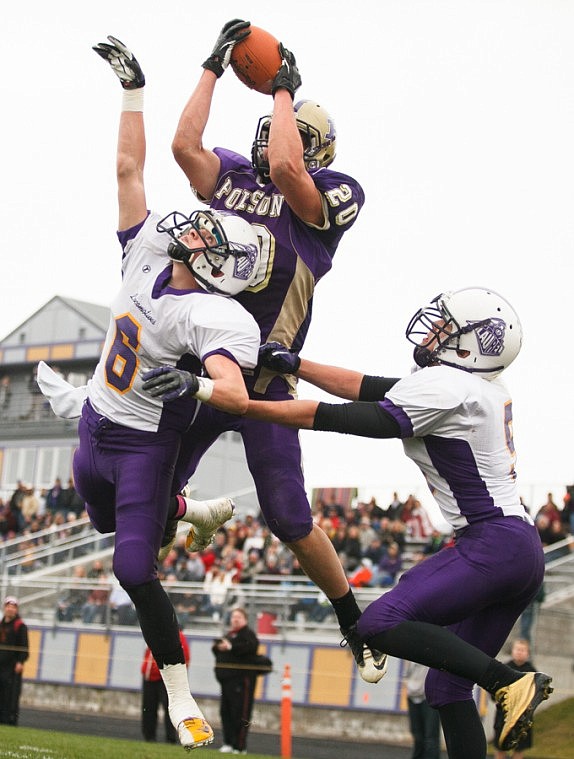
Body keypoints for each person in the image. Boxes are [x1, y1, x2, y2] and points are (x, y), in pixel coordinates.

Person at [36, 35, 262, 751]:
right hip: (94, 428)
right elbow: (130, 167)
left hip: (143, 442)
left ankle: (181, 696)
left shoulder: (214, 313)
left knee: (133, 565)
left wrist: (196, 378)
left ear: (221, 270)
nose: (192, 232)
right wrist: (133, 90)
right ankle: (191, 511)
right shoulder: (149, 249)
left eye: (207, 241)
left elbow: (232, 388)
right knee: (109, 526)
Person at [167, 18, 386, 684]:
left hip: (266, 383)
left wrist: (283, 88)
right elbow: (183, 145)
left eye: (285, 125)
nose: (271, 139)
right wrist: (211, 65)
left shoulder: (331, 194)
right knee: (143, 490)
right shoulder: (232, 173)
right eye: (269, 125)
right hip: (206, 364)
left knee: (291, 517)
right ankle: (189, 511)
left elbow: (292, 168)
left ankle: (355, 620)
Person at [247, 286, 553, 758]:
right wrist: (296, 364)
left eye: (447, 327)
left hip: (491, 543)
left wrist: (244, 407)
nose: (434, 331)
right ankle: (504, 683)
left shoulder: (449, 386)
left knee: (378, 622)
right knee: (446, 688)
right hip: (519, 548)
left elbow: (352, 417)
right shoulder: (474, 386)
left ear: (472, 344)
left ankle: (507, 680)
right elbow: (364, 385)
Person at [212, 607, 260, 754]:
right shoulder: (229, 634)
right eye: (233, 617)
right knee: (225, 712)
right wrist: (219, 646)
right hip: (226, 682)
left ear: (245, 619)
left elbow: (251, 647)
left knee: (240, 713)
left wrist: (231, 647)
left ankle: (240, 746)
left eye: (238, 617)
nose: (235, 619)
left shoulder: (248, 635)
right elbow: (216, 650)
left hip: (242, 681)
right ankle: (228, 742)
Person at [141, 628, 190, 744]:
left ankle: (170, 738)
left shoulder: (178, 636)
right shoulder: (154, 633)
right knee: (148, 708)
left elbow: (185, 658)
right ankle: (149, 737)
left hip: (166, 679)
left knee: (169, 709)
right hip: (149, 678)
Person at [492, 639, 537, 759]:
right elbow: (495, 690)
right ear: (512, 651)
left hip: (522, 717)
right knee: (500, 746)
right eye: (517, 649)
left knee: (519, 747)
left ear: (527, 653)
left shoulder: (532, 672)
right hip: (504, 715)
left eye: (522, 650)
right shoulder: (504, 669)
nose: (519, 652)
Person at [403, 661, 442, 759]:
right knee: (417, 736)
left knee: (431, 736)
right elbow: (406, 674)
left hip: (429, 697)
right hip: (412, 696)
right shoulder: (409, 656)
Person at [0, 596, 29, 725]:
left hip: (12, 666)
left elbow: (24, 646)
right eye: (8, 606)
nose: (10, 609)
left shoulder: (20, 626)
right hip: (1, 665)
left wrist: (20, 662)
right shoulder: (1, 624)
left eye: (13, 607)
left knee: (10, 694)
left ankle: (10, 719)